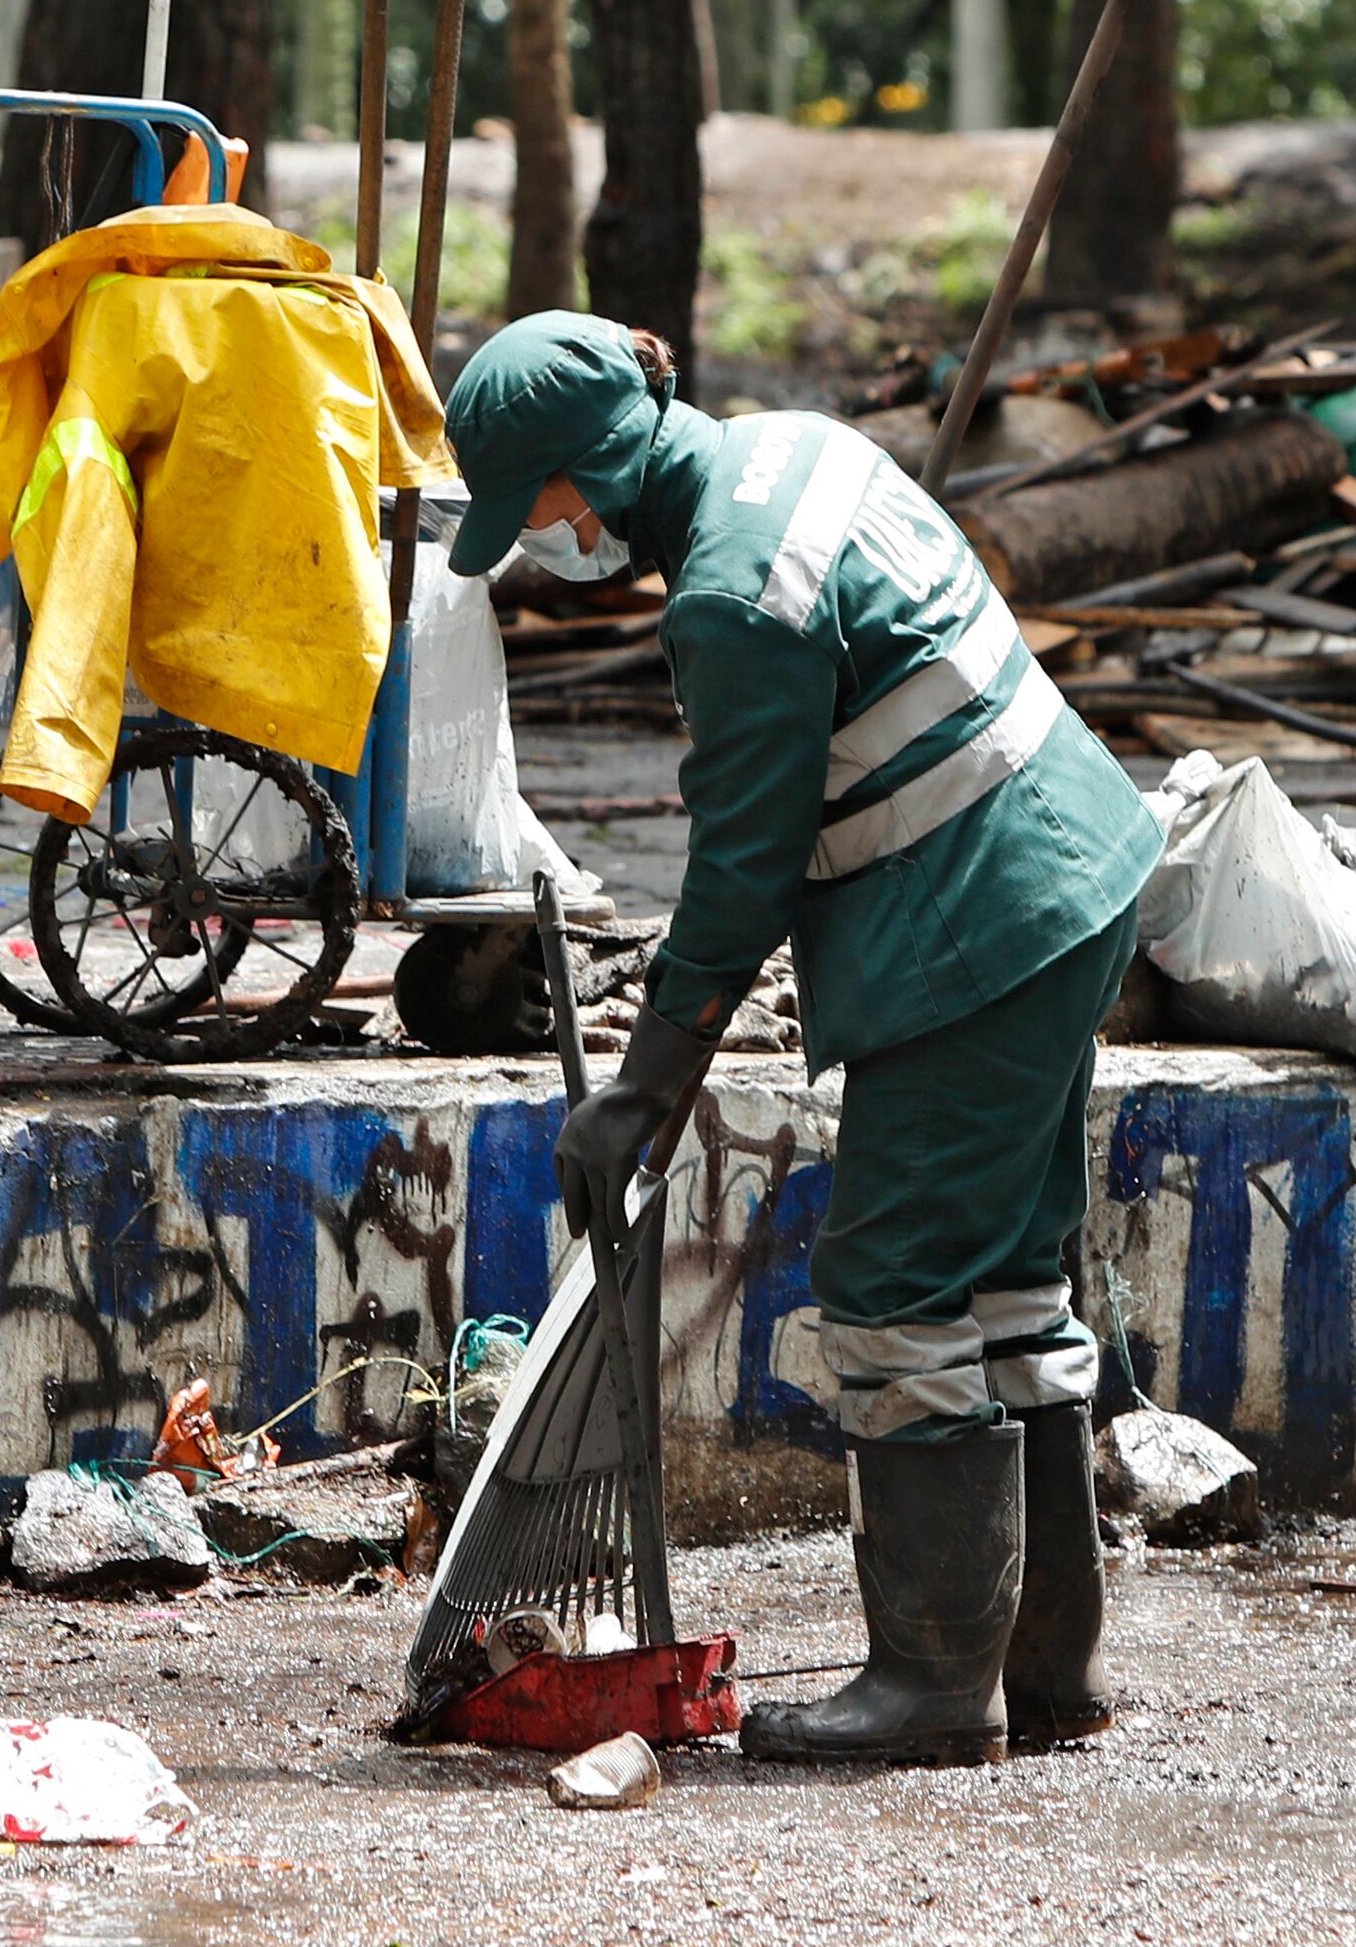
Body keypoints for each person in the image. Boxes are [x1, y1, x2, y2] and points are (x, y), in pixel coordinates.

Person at [440, 311, 1160, 1767]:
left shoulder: (730, 598)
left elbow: (739, 876)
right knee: (1011, 1273)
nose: (558, 540)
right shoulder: (797, 445)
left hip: (981, 923)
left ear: (590, 479)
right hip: (1076, 873)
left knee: (896, 1279)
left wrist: (638, 1096)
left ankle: (936, 1685)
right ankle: (1046, 1660)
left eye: (548, 510)